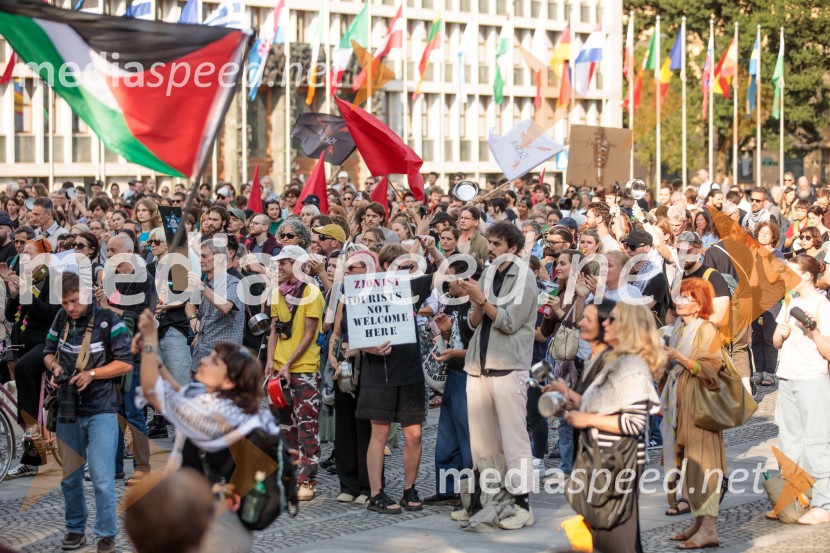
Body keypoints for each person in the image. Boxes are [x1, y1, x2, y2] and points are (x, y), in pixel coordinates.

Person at [136, 311, 278, 553]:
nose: (203, 361)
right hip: (227, 526)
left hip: (211, 532)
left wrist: (150, 341)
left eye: (214, 361)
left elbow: (152, 390)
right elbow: (181, 395)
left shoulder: (210, 416)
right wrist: (159, 364)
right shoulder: (236, 412)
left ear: (230, 381)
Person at [453, 221, 537, 529]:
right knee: (482, 443)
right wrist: (472, 297)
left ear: (513, 248)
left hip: (509, 366)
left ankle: (523, 504)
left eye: (498, 244)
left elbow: (510, 322)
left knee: (514, 439)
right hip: (479, 364)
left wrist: (483, 300)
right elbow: (475, 323)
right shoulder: (488, 273)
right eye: (490, 242)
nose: (491, 248)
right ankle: (489, 500)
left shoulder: (524, 277)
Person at [562, 302, 663, 553]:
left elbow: (634, 422)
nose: (605, 323)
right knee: (610, 538)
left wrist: (587, 420)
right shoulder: (616, 361)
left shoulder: (631, 366)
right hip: (604, 458)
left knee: (617, 539)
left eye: (613, 320)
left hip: (617, 461)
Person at [45, 272, 133, 553]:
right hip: (68, 407)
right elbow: (47, 351)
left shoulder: (109, 320)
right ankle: (75, 529)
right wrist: (55, 367)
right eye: (65, 303)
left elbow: (126, 363)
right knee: (70, 476)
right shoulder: (62, 319)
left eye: (74, 302)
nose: (70, 308)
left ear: (86, 295)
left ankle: (106, 534)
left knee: (102, 478)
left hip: (102, 408)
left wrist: (92, 374)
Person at [661, 278, 727, 548]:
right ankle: (699, 523)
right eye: (679, 296)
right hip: (678, 401)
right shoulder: (678, 326)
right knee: (688, 462)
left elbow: (713, 368)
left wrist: (680, 358)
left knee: (704, 463)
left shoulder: (706, 328)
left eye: (687, 298)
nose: (680, 301)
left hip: (699, 403)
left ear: (700, 303)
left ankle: (709, 528)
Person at [265, 245, 325, 502]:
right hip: (280, 369)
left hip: (304, 369)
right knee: (283, 426)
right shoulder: (277, 293)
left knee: (306, 426)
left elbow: (309, 333)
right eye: (279, 263)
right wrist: (270, 362)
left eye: (285, 263)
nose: (280, 267)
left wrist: (288, 364)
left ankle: (307, 479)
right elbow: (275, 329)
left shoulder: (311, 292)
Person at [772, 255, 830, 525]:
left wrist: (812, 331)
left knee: (816, 443)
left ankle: (823, 503)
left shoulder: (822, 306)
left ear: (806, 276)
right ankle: (794, 500)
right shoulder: (789, 301)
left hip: (812, 380)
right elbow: (775, 343)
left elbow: (828, 351)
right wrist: (781, 334)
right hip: (787, 376)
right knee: (789, 442)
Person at [425, 257, 479, 506]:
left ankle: (468, 491)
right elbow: (453, 338)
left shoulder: (478, 307)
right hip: (454, 374)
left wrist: (454, 353)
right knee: (446, 437)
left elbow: (484, 349)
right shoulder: (453, 303)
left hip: (471, 376)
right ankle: (447, 488)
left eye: (452, 277)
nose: (448, 282)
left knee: (469, 437)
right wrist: (445, 332)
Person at [189, 239, 244, 377]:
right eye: (199, 256)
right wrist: (193, 319)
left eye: (204, 256)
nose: (200, 260)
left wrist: (202, 288)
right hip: (200, 359)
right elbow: (189, 304)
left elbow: (225, 306)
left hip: (223, 363)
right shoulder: (206, 283)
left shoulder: (234, 283)